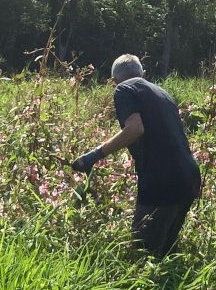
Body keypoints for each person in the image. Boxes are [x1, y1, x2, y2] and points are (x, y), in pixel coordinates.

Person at [71, 54, 202, 257]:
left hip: (161, 180)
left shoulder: (124, 89)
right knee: (166, 254)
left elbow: (135, 130)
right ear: (143, 74)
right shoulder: (163, 93)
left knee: (142, 255)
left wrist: (94, 155)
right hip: (189, 177)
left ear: (113, 81)